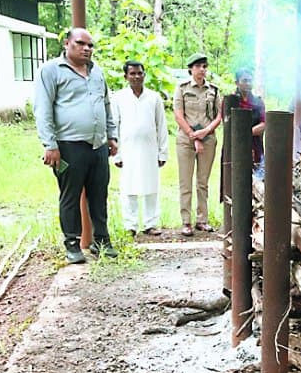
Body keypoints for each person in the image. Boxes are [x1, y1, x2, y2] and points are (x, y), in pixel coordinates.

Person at [34, 27, 118, 263]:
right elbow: (43, 109)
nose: (87, 49)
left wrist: (111, 135)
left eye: (90, 45)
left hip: (97, 145)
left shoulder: (96, 72)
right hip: (68, 146)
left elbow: (106, 104)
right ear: (67, 44)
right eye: (81, 44)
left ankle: (102, 241)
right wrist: (50, 144)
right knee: (70, 196)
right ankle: (72, 244)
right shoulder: (51, 71)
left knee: (99, 195)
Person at [111, 61, 169, 237]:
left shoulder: (154, 97)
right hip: (127, 150)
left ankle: (151, 224)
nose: (136, 77)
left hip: (150, 150)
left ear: (144, 75)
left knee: (151, 186)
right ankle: (131, 225)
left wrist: (163, 152)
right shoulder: (119, 98)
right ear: (126, 76)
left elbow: (161, 125)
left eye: (139, 73)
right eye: (132, 74)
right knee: (129, 188)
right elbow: (114, 125)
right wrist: (116, 154)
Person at [173, 52, 221, 237]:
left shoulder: (213, 90)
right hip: (186, 140)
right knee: (185, 182)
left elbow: (218, 115)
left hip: (208, 139)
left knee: (203, 182)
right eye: (199, 66)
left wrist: (205, 132)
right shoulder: (182, 88)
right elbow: (178, 115)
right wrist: (194, 136)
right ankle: (186, 222)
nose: (203, 69)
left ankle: (202, 220)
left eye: (205, 66)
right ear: (191, 69)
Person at [222, 68, 267, 175]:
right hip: (233, 145)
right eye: (245, 80)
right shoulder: (230, 101)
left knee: (256, 177)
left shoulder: (258, 102)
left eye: (250, 80)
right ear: (237, 83)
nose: (248, 83)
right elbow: (227, 123)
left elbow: (264, 123)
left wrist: (247, 133)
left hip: (254, 145)